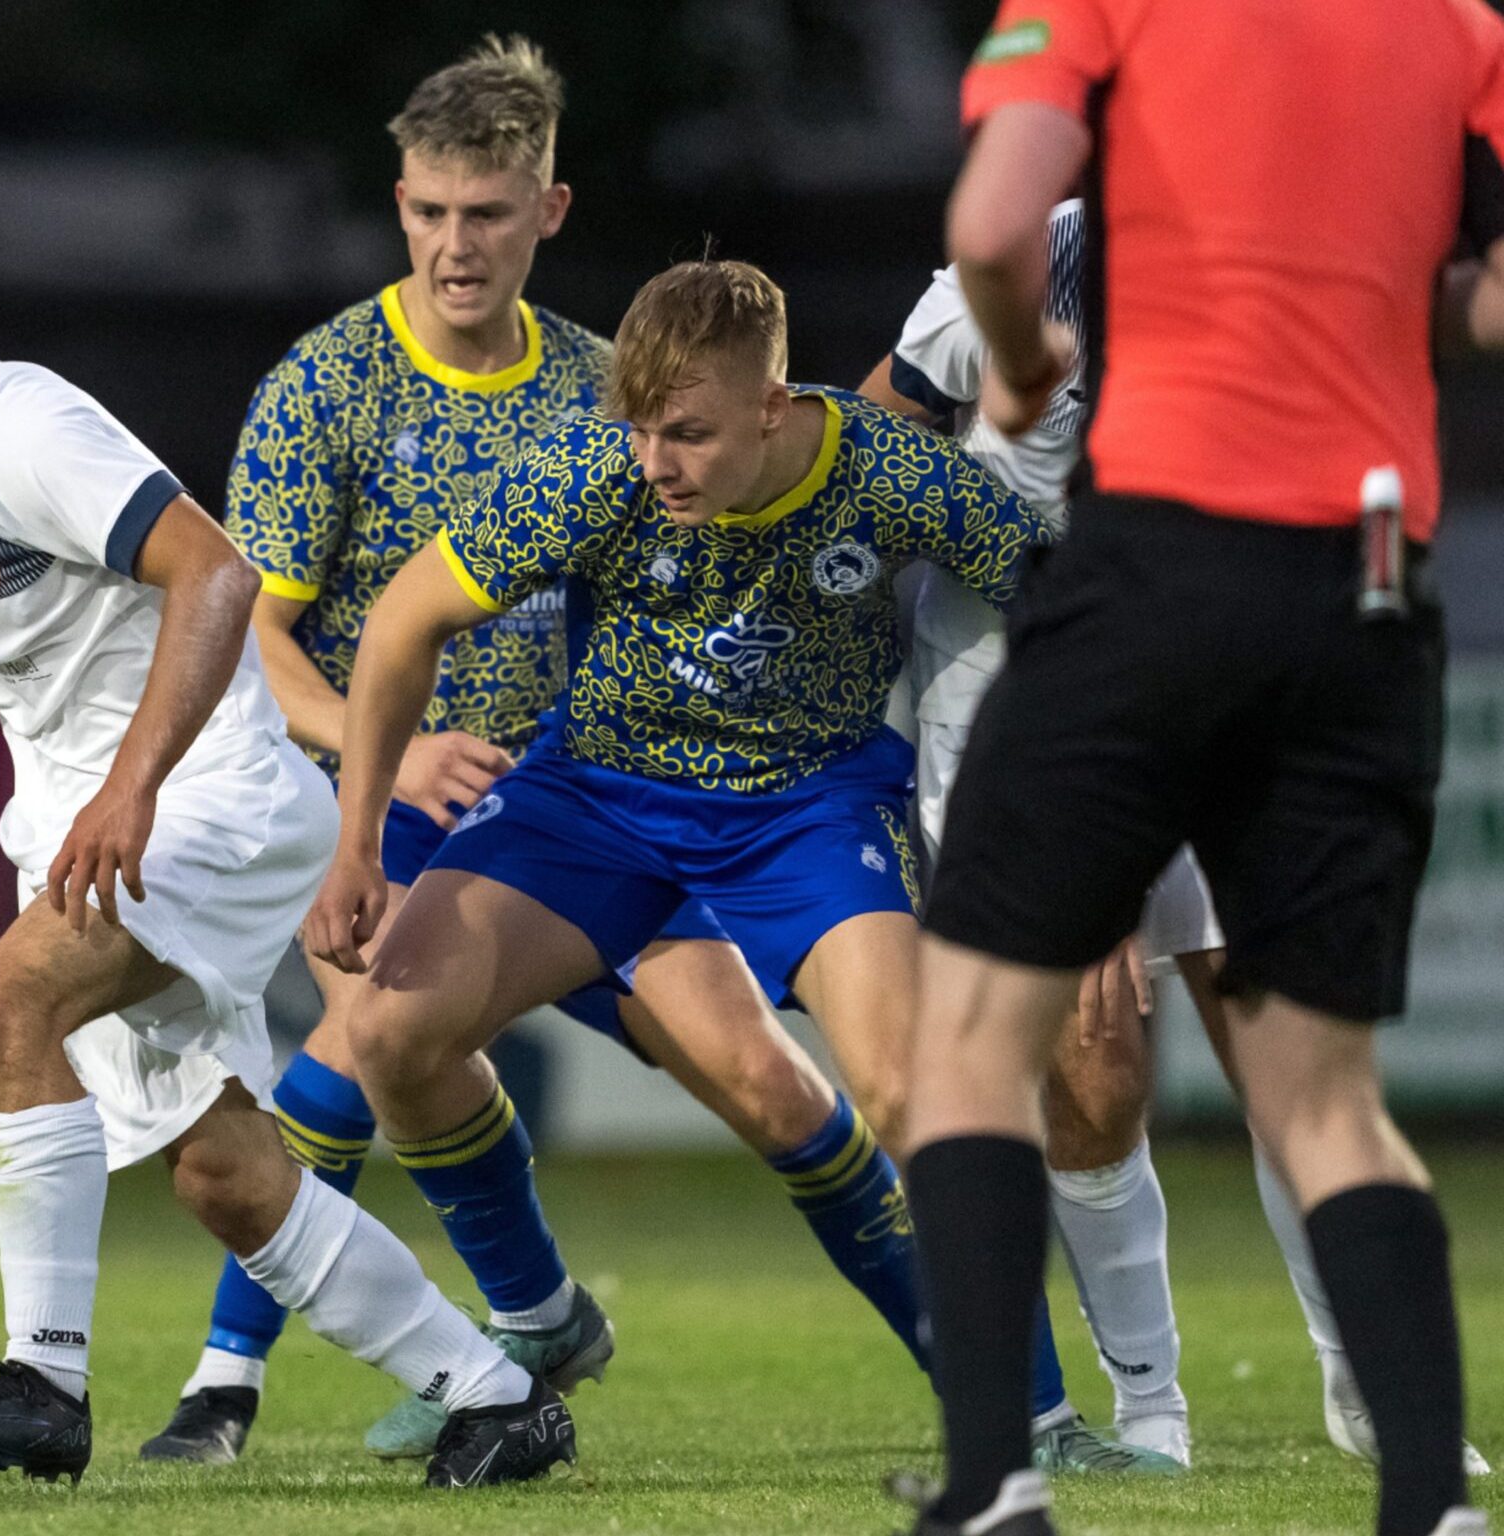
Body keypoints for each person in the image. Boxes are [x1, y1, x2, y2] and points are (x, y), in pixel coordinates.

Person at [0, 169, 575, 1489]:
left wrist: (138, 783)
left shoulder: (15, 429)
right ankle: (496, 1397)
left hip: (205, 788)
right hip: (94, 822)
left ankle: (46, 1382)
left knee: (4, 1004)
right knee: (224, 1174)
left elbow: (215, 571)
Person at [141, 35, 932, 1470]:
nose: (457, 245)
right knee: (362, 1044)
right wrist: (388, 755)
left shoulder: (601, 385)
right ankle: (226, 1385)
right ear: (399, 206)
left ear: (547, 212)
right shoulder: (326, 388)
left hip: (598, 802)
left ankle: (999, 1389)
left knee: (775, 1094)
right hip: (376, 796)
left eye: (489, 213)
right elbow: (249, 640)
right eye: (433, 212)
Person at [304, 257, 1107, 1466]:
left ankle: (1036, 1418)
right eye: (637, 426)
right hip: (600, 796)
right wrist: (358, 840)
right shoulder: (593, 474)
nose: (654, 459)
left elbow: (1073, 618)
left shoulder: (892, 476)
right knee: (389, 1031)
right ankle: (536, 1322)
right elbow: (404, 620)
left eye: (686, 433)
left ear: (775, 407)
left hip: (806, 806)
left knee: (902, 1091)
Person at [901, 0, 1504, 1530]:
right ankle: (1430, 1504)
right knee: (1328, 1100)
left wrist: (1029, 361)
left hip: (1159, 557)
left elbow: (992, 219)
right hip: (1367, 583)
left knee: (970, 1038)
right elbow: (1485, 307)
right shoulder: (1462, 31)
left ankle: (993, 1488)